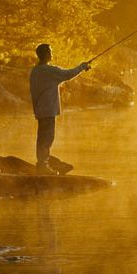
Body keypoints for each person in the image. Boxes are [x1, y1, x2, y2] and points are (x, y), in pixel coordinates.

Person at [29, 43, 90, 175]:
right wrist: (83, 66)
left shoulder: (35, 71)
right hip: (48, 110)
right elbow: (68, 74)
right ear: (46, 54)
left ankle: (43, 162)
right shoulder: (49, 70)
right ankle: (43, 165)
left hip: (40, 110)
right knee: (47, 138)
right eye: (50, 51)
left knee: (42, 138)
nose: (52, 54)